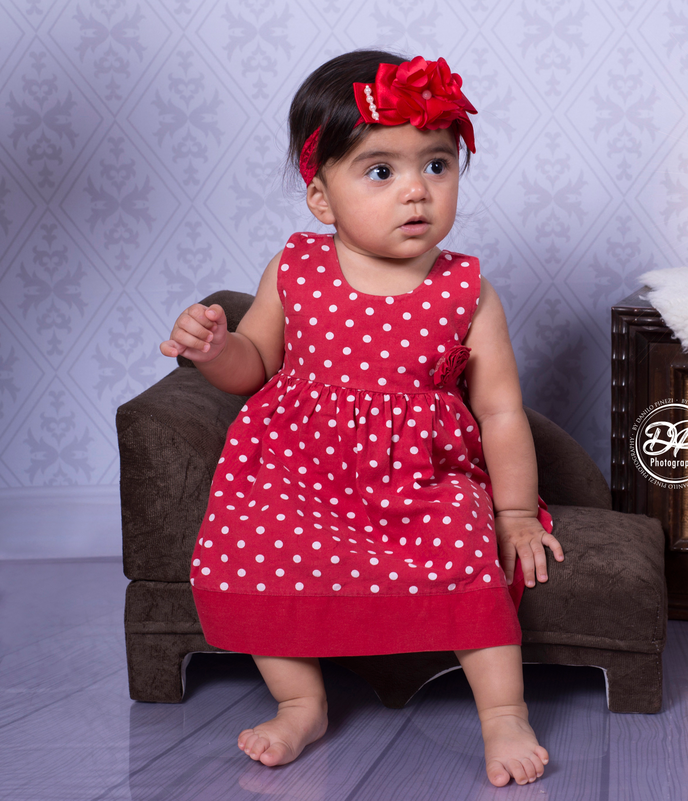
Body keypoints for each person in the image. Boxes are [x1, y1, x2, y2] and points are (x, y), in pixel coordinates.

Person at [159, 50, 563, 787]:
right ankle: (299, 699)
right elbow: (257, 363)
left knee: (463, 550)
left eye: (437, 166)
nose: (417, 191)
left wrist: (513, 512)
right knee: (249, 538)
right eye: (382, 172)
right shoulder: (297, 268)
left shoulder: (467, 290)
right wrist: (217, 350)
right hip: (300, 470)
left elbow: (500, 409)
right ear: (322, 197)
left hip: (418, 479)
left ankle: (503, 713)